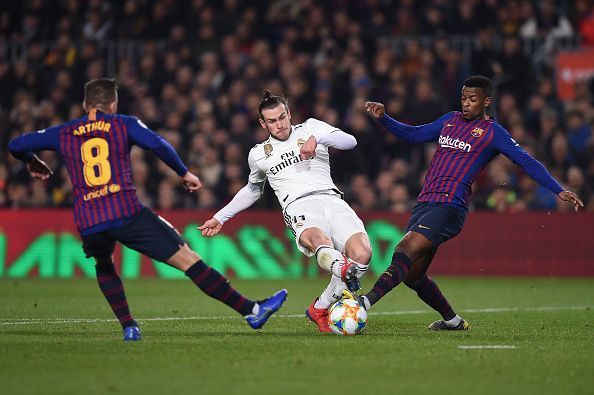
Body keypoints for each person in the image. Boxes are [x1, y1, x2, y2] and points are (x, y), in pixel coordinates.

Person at [7, 78, 287, 341]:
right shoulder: (121, 123)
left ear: (85, 105)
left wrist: (31, 161)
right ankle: (252, 312)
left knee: (104, 266)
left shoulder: (63, 131)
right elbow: (156, 143)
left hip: (89, 220)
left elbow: (15, 144)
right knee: (188, 259)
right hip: (126, 212)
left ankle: (129, 326)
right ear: (113, 105)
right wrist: (183, 172)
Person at [351, 75, 583, 330]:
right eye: (463, 98)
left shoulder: (493, 132)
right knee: (413, 275)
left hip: (450, 206)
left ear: (486, 101)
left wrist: (557, 189)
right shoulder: (449, 120)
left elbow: (525, 160)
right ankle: (453, 321)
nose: (466, 103)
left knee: (404, 250)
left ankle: (364, 303)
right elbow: (413, 135)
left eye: (472, 99)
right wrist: (384, 118)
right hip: (426, 202)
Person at [199, 90, 372, 333]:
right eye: (272, 121)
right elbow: (253, 190)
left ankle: (320, 307)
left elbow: (350, 141)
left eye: (282, 117)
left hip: (332, 199)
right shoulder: (258, 154)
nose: (279, 125)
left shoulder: (312, 127)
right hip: (298, 206)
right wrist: (220, 217)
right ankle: (343, 270)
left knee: (362, 254)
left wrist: (318, 140)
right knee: (320, 242)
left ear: (289, 113)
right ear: (263, 123)